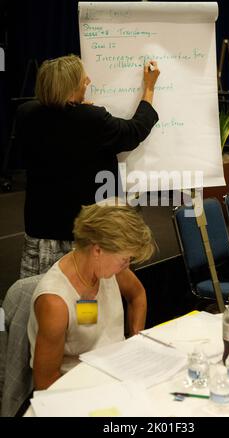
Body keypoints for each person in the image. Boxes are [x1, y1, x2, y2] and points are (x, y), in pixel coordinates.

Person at [18, 54, 160, 278]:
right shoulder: (92, 119)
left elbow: (58, 126)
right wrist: (149, 87)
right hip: (85, 234)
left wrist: (76, 108)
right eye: (83, 79)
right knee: (85, 302)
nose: (88, 81)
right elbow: (134, 131)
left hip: (41, 231)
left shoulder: (26, 114)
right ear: (71, 86)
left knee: (43, 298)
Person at [27, 201, 156, 390]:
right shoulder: (55, 302)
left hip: (117, 374)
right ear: (97, 250)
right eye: (124, 259)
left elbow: (137, 295)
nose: (127, 265)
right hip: (77, 388)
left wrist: (134, 342)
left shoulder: (110, 269)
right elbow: (45, 382)